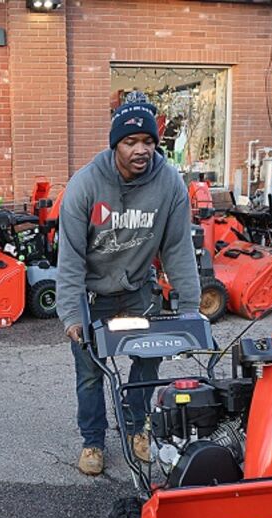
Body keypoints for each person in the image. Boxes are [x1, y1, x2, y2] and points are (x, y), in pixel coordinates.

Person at [56, 91, 201, 476]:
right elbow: (69, 256)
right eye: (131, 141)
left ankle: (138, 429)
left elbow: (178, 249)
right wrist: (71, 313)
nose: (142, 150)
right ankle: (93, 441)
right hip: (92, 293)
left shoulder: (169, 183)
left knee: (148, 363)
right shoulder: (85, 185)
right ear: (115, 144)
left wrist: (190, 308)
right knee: (90, 372)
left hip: (138, 289)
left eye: (149, 142)